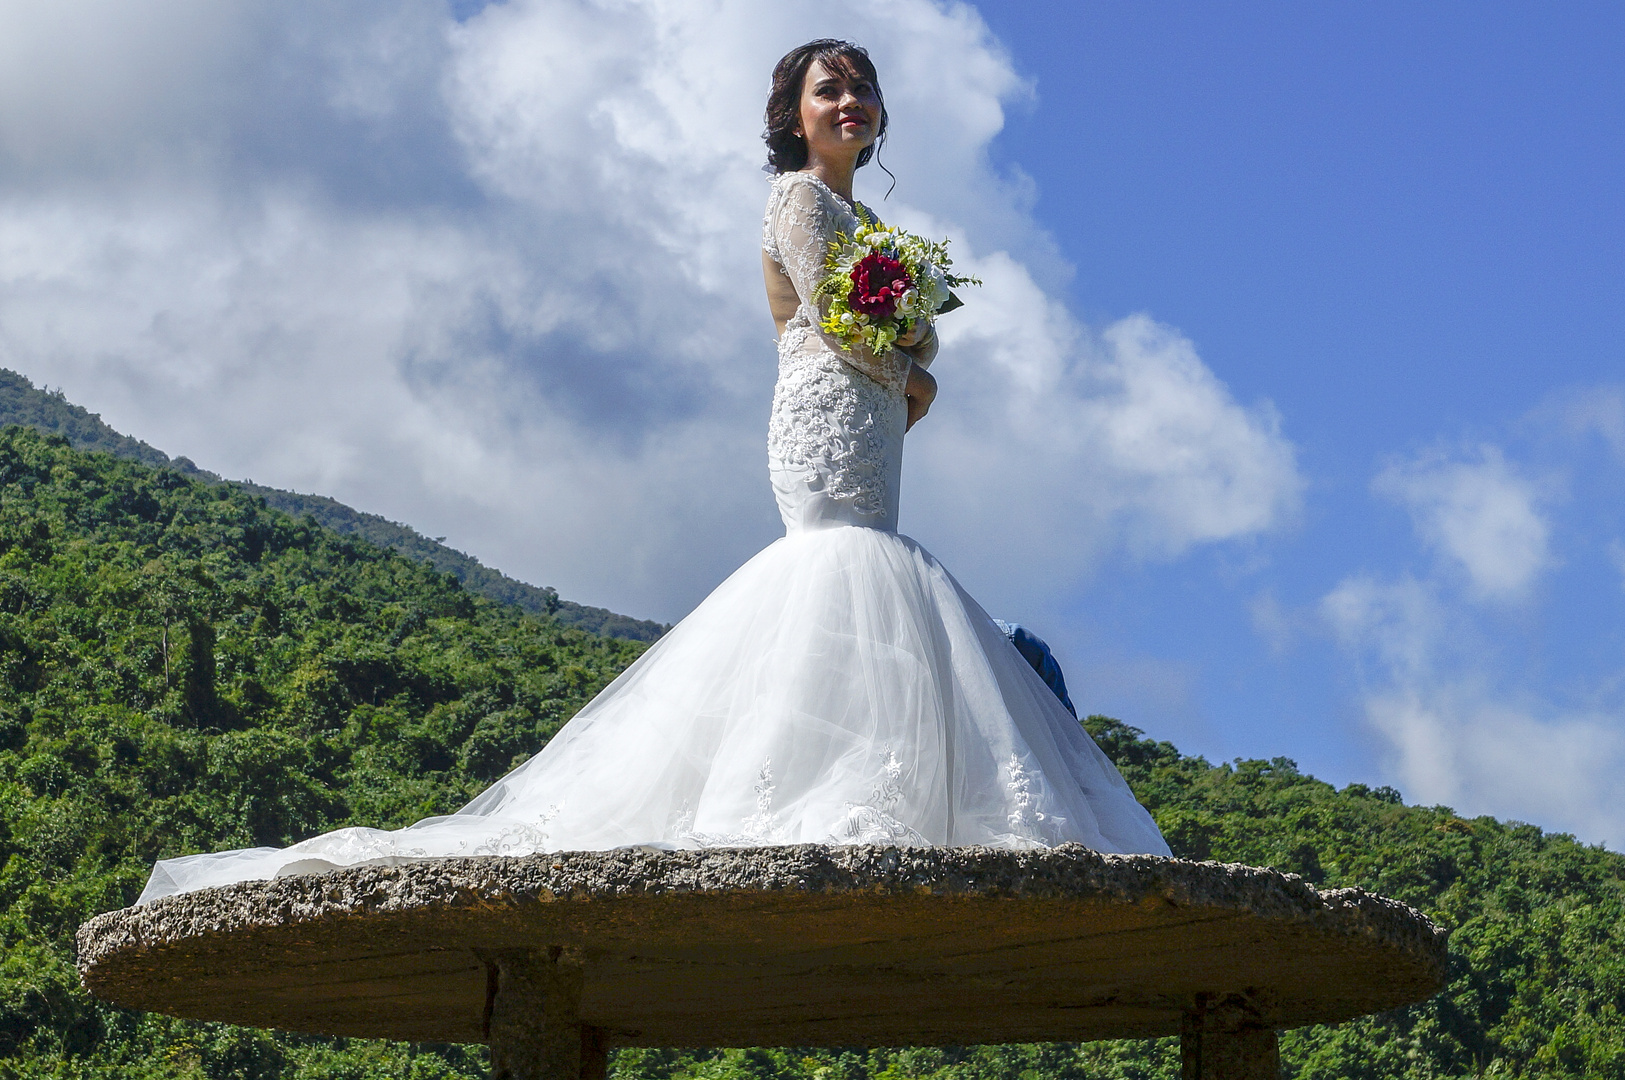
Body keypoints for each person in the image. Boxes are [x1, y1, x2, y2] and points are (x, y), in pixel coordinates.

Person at [137, 39, 1167, 905]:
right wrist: (913, 371)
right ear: (794, 116)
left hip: (869, 415)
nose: (848, 102)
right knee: (840, 566)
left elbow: (910, 336)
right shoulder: (800, 202)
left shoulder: (873, 228)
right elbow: (847, 323)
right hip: (824, 412)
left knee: (872, 570)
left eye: (860, 89)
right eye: (828, 89)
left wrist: (913, 364)